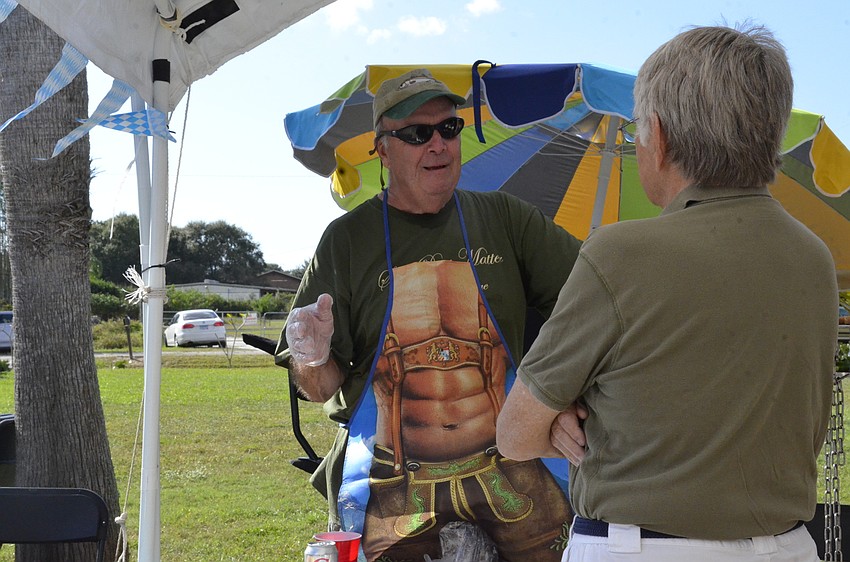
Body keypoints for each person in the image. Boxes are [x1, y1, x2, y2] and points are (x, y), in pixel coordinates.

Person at [496, 24, 839, 562]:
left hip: (639, 548)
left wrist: (564, 417)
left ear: (662, 137)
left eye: (636, 132)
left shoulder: (620, 254)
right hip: (787, 546)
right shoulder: (815, 257)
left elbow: (515, 435)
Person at [276, 68, 583, 562]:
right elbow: (317, 389)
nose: (438, 144)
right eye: (417, 134)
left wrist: (564, 395)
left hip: (512, 462)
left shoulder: (505, 218)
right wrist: (310, 357)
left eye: (449, 128)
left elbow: (591, 306)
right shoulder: (348, 241)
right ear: (383, 148)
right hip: (391, 478)